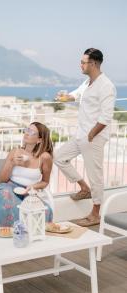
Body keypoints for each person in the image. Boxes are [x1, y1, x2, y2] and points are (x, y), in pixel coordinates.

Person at [54, 48, 116, 227]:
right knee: (59, 157)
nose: (80, 65)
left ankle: (95, 214)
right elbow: (75, 95)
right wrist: (64, 98)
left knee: (95, 174)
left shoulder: (106, 86)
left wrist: (92, 134)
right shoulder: (87, 82)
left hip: (93, 137)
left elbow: (106, 116)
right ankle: (84, 188)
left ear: (94, 63)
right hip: (81, 135)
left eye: (83, 62)